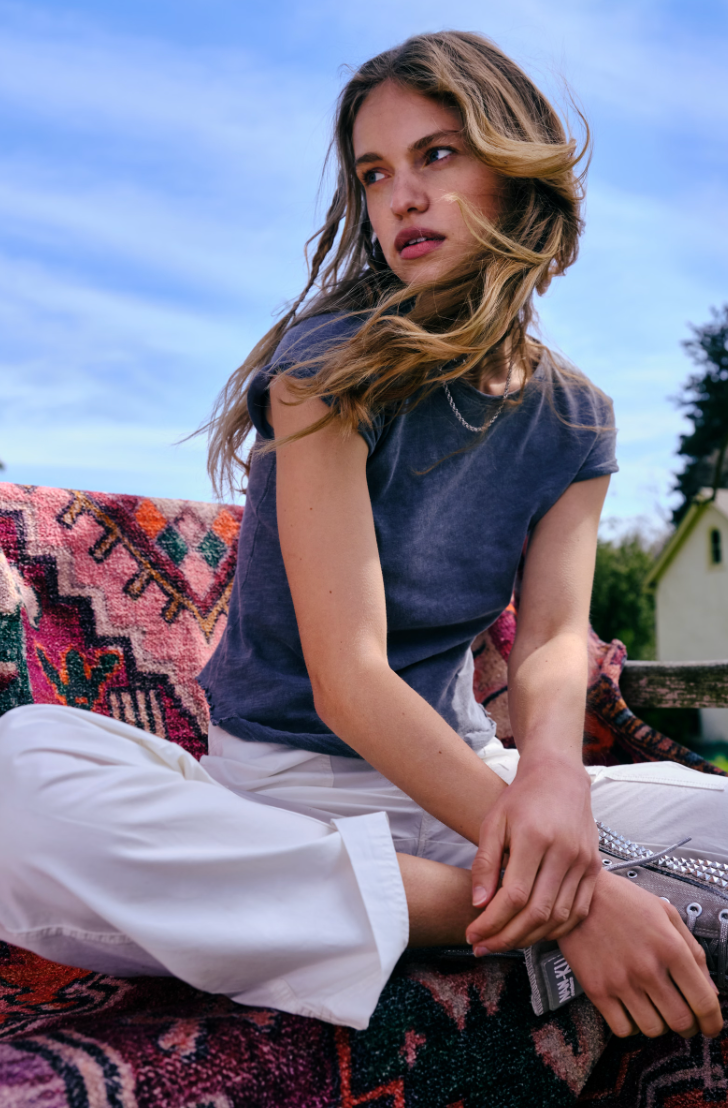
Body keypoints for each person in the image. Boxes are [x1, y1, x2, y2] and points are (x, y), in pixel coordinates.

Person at [0, 31, 724, 1042]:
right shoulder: (324, 366)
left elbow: (555, 636)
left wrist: (552, 785)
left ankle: (427, 901)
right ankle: (506, 915)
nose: (400, 197)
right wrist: (584, 892)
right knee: (18, 782)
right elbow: (347, 674)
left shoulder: (576, 419)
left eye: (436, 155)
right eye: (374, 173)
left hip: (472, 782)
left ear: (514, 168)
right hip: (275, 803)